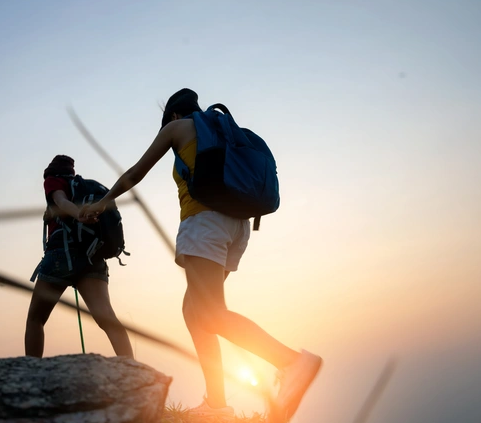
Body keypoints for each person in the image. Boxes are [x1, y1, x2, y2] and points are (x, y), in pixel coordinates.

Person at [81, 89, 321, 422]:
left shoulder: (177, 128)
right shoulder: (225, 129)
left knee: (208, 313)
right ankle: (217, 405)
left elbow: (136, 173)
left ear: (174, 116)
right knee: (195, 311)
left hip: (204, 223)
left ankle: (293, 363)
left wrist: (99, 203)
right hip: (237, 227)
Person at [24, 154, 133, 359]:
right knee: (107, 318)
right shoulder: (83, 188)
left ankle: (32, 373)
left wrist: (77, 214)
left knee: (36, 318)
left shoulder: (54, 181)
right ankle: (133, 368)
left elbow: (61, 201)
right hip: (92, 257)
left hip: (61, 255)